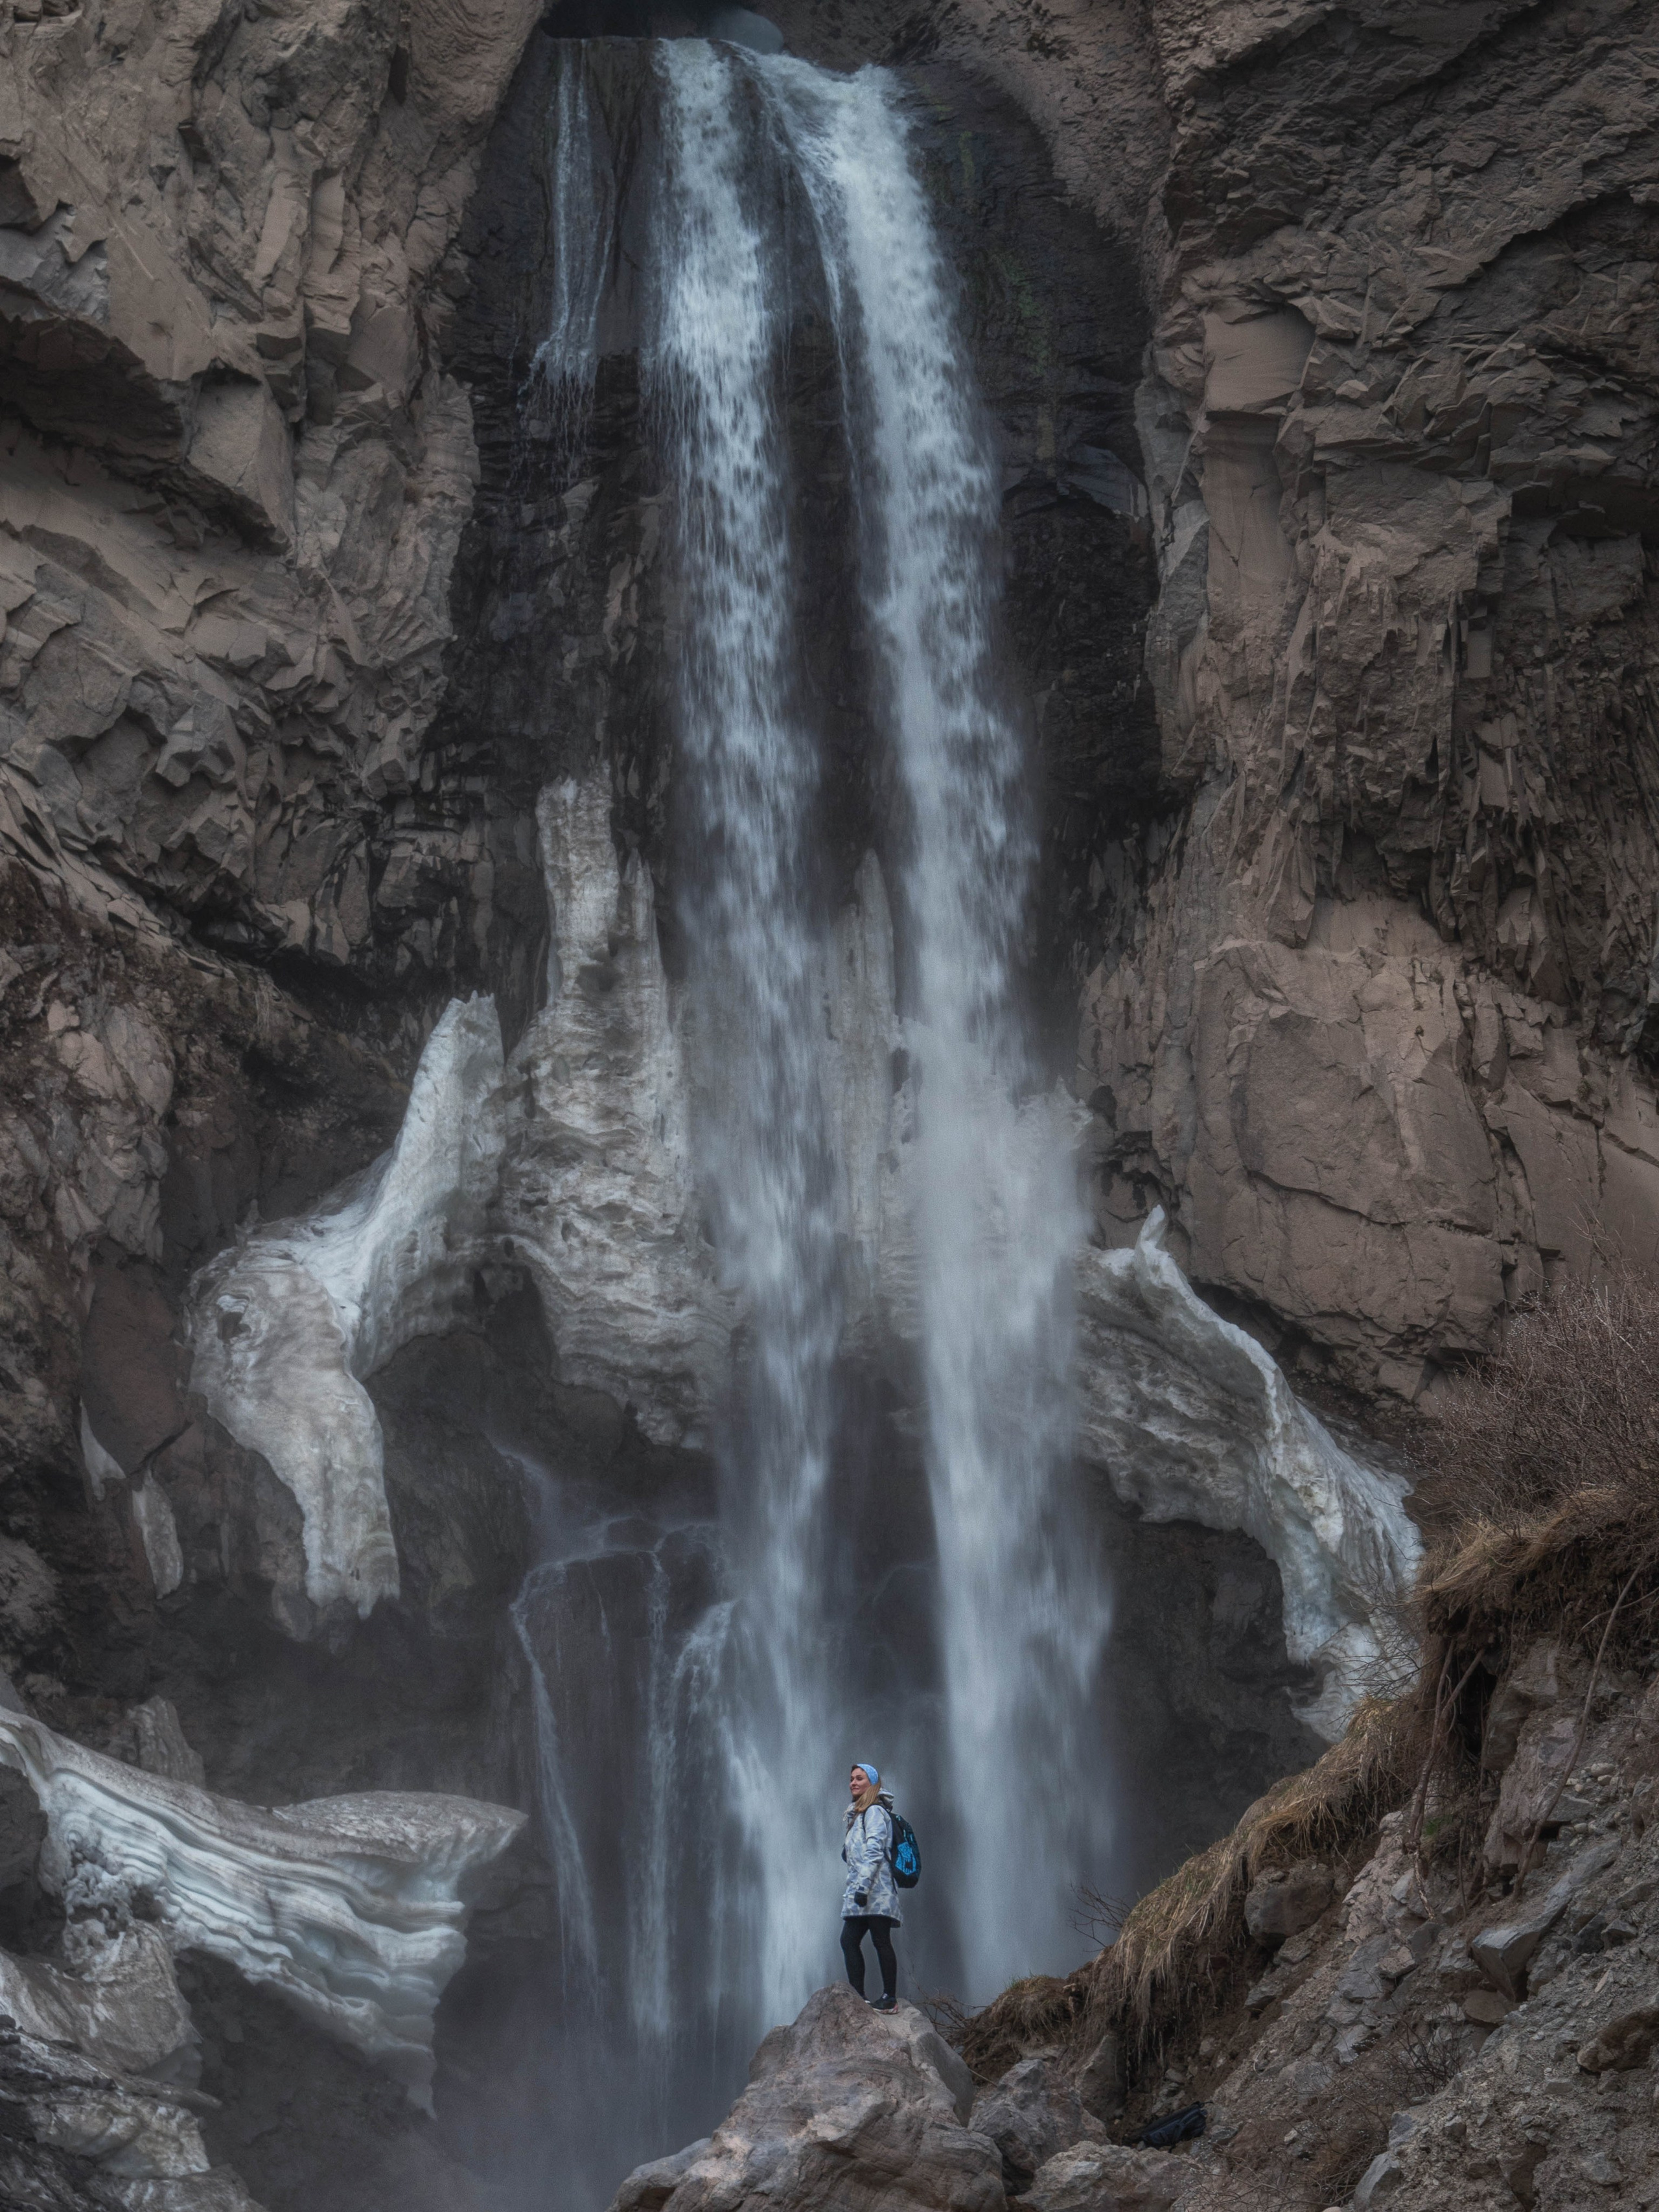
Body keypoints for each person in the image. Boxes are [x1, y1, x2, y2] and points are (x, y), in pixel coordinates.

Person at [840, 1760, 899, 2011]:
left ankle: (890, 1999)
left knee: (880, 1940)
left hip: (876, 1890)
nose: (853, 1782)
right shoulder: (857, 1815)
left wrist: (862, 1888)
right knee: (848, 1940)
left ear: (873, 1784)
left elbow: (875, 1851)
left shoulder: (874, 1811)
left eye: (860, 1778)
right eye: (852, 1778)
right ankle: (859, 1997)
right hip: (862, 1891)